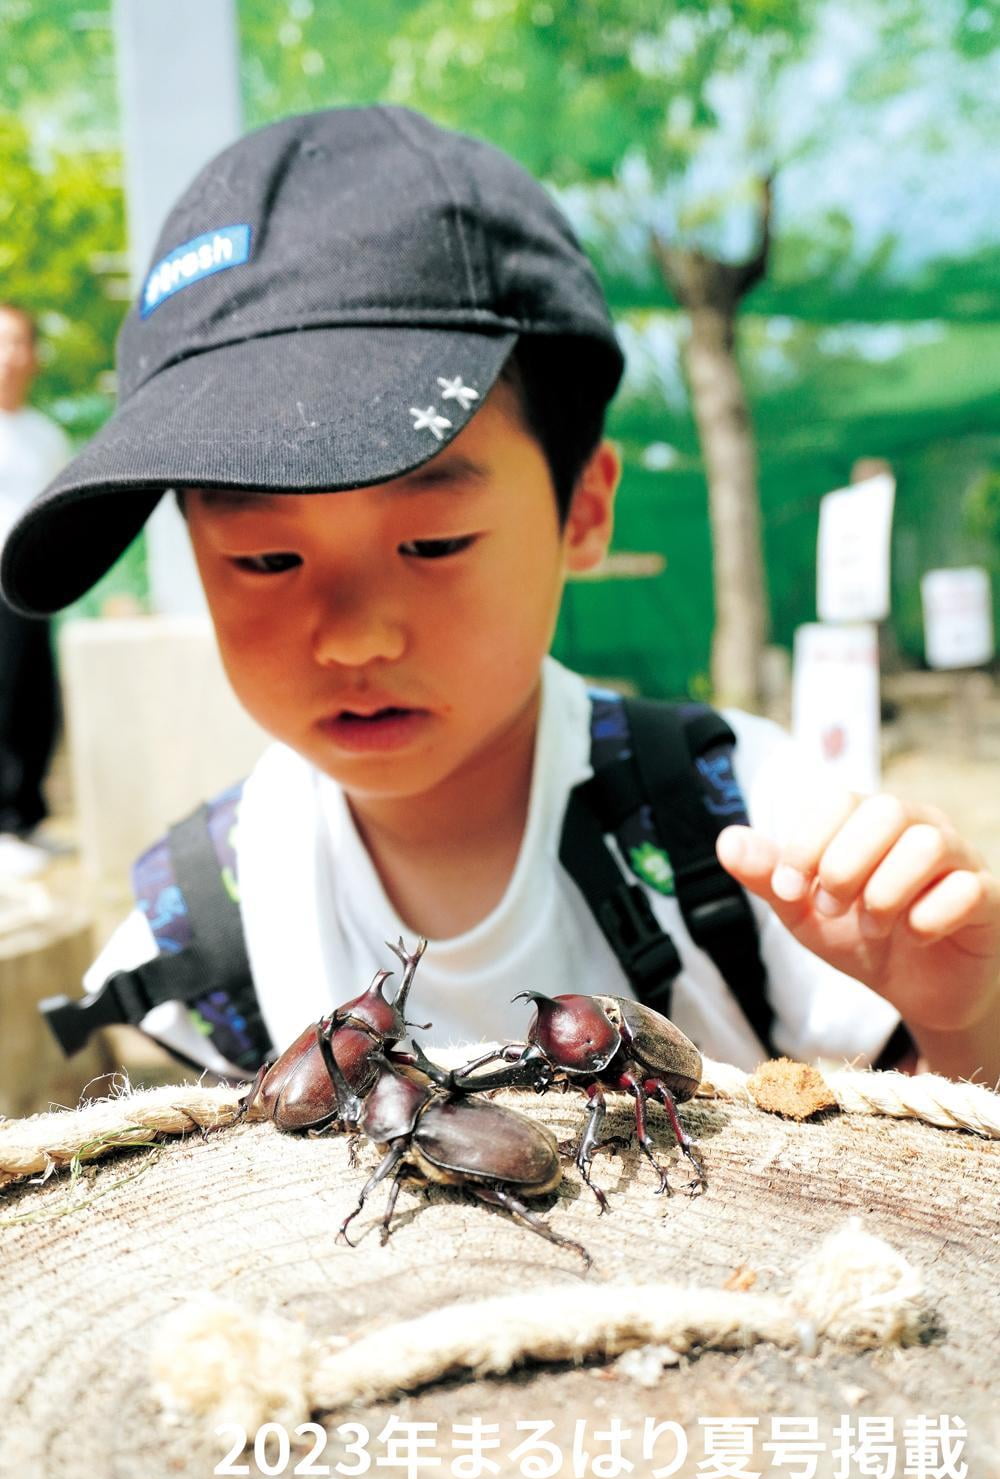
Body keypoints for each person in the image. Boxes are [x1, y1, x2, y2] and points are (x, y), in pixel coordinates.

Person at [2, 107, 997, 1088]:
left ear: (584, 510)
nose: (353, 636)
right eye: (265, 558)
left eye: (432, 541)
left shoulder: (754, 835)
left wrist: (964, 1021)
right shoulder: (201, 929)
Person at [0, 303, 72, 877]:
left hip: (30, 593)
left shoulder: (45, 435)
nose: (10, 356)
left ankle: (26, 819)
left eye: (19, 342)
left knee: (35, 703)